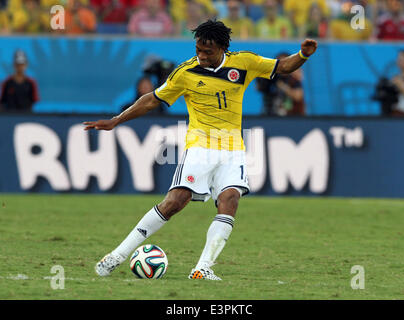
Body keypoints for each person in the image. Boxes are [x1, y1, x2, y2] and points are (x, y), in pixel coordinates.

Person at [84, 20, 317, 280]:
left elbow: (283, 67)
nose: (201, 56)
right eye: (198, 50)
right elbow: (151, 100)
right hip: (201, 146)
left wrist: (303, 54)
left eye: (208, 51)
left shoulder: (244, 63)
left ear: (223, 48)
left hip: (233, 149)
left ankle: (202, 268)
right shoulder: (185, 72)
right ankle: (117, 255)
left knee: (230, 200)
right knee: (175, 201)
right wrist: (116, 120)